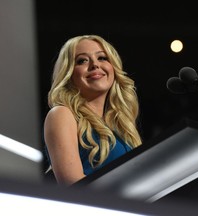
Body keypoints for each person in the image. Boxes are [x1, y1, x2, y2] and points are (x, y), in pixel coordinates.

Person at [43, 35, 143, 186]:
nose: (95, 65)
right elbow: (73, 185)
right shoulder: (62, 114)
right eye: (82, 60)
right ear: (68, 74)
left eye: (102, 58)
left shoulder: (121, 125)